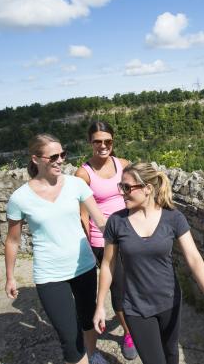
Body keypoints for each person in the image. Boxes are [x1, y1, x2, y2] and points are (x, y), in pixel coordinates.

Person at [93, 163, 204, 364]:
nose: (122, 193)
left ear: (148, 188)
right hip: (136, 306)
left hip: (169, 301)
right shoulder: (116, 222)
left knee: (171, 355)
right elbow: (108, 264)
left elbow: (193, 257)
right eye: (121, 187)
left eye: (127, 188)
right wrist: (100, 305)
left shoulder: (173, 218)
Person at [4, 134, 109, 364]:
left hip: (84, 265)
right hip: (50, 274)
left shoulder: (76, 184)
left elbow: (100, 221)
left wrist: (127, 243)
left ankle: (92, 354)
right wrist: (10, 277)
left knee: (87, 318)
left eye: (63, 154)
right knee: (69, 338)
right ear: (36, 159)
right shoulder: (19, 198)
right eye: (53, 156)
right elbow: (12, 240)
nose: (60, 160)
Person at [75, 121, 137, 361]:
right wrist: (90, 248)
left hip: (129, 234)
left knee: (130, 286)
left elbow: (136, 195)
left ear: (113, 141)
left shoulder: (123, 165)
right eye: (98, 141)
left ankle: (133, 327)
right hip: (102, 241)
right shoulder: (83, 174)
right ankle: (129, 333)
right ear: (90, 142)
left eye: (108, 141)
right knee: (117, 289)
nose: (103, 146)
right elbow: (82, 214)